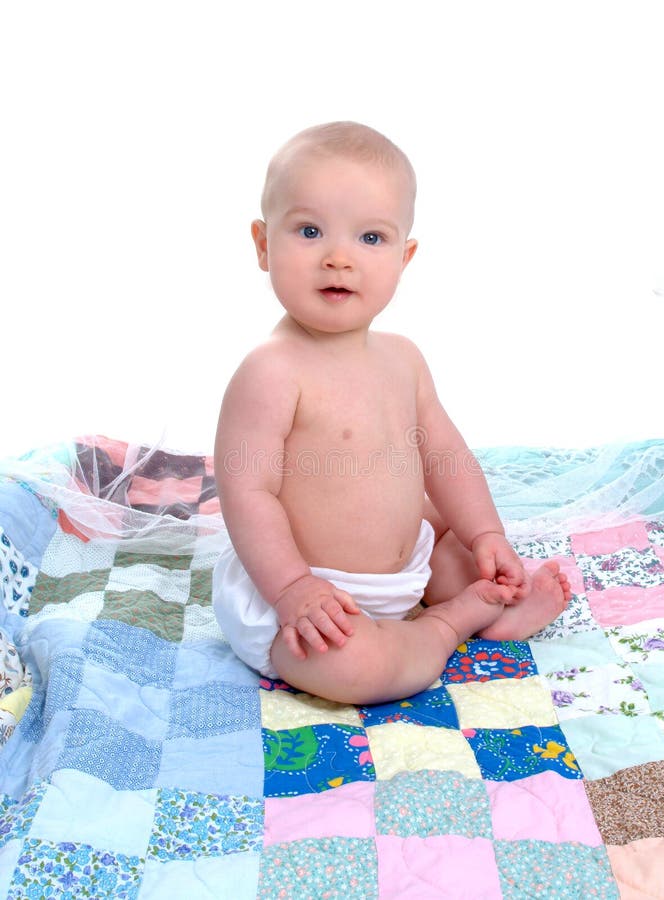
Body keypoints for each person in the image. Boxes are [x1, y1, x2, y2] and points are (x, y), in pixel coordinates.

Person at [212, 121, 570, 705]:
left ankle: (484, 601)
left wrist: (486, 533)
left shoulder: (404, 359)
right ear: (262, 244)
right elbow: (246, 495)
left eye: (370, 239)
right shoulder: (271, 372)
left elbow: (447, 457)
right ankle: (449, 624)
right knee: (354, 665)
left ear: (404, 257)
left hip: (408, 568)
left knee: (456, 536)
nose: (338, 258)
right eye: (309, 230)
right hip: (314, 596)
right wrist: (293, 588)